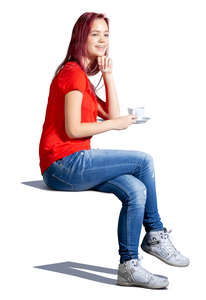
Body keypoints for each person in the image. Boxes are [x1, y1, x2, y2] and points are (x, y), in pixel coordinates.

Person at [39, 12, 190, 289]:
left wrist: (108, 75)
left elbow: (111, 113)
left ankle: (128, 267)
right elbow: (74, 130)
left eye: (106, 35)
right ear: (80, 37)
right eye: (95, 34)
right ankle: (155, 233)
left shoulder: (82, 78)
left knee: (136, 189)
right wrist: (114, 125)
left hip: (71, 164)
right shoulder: (72, 73)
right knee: (143, 161)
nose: (102, 40)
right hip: (62, 164)